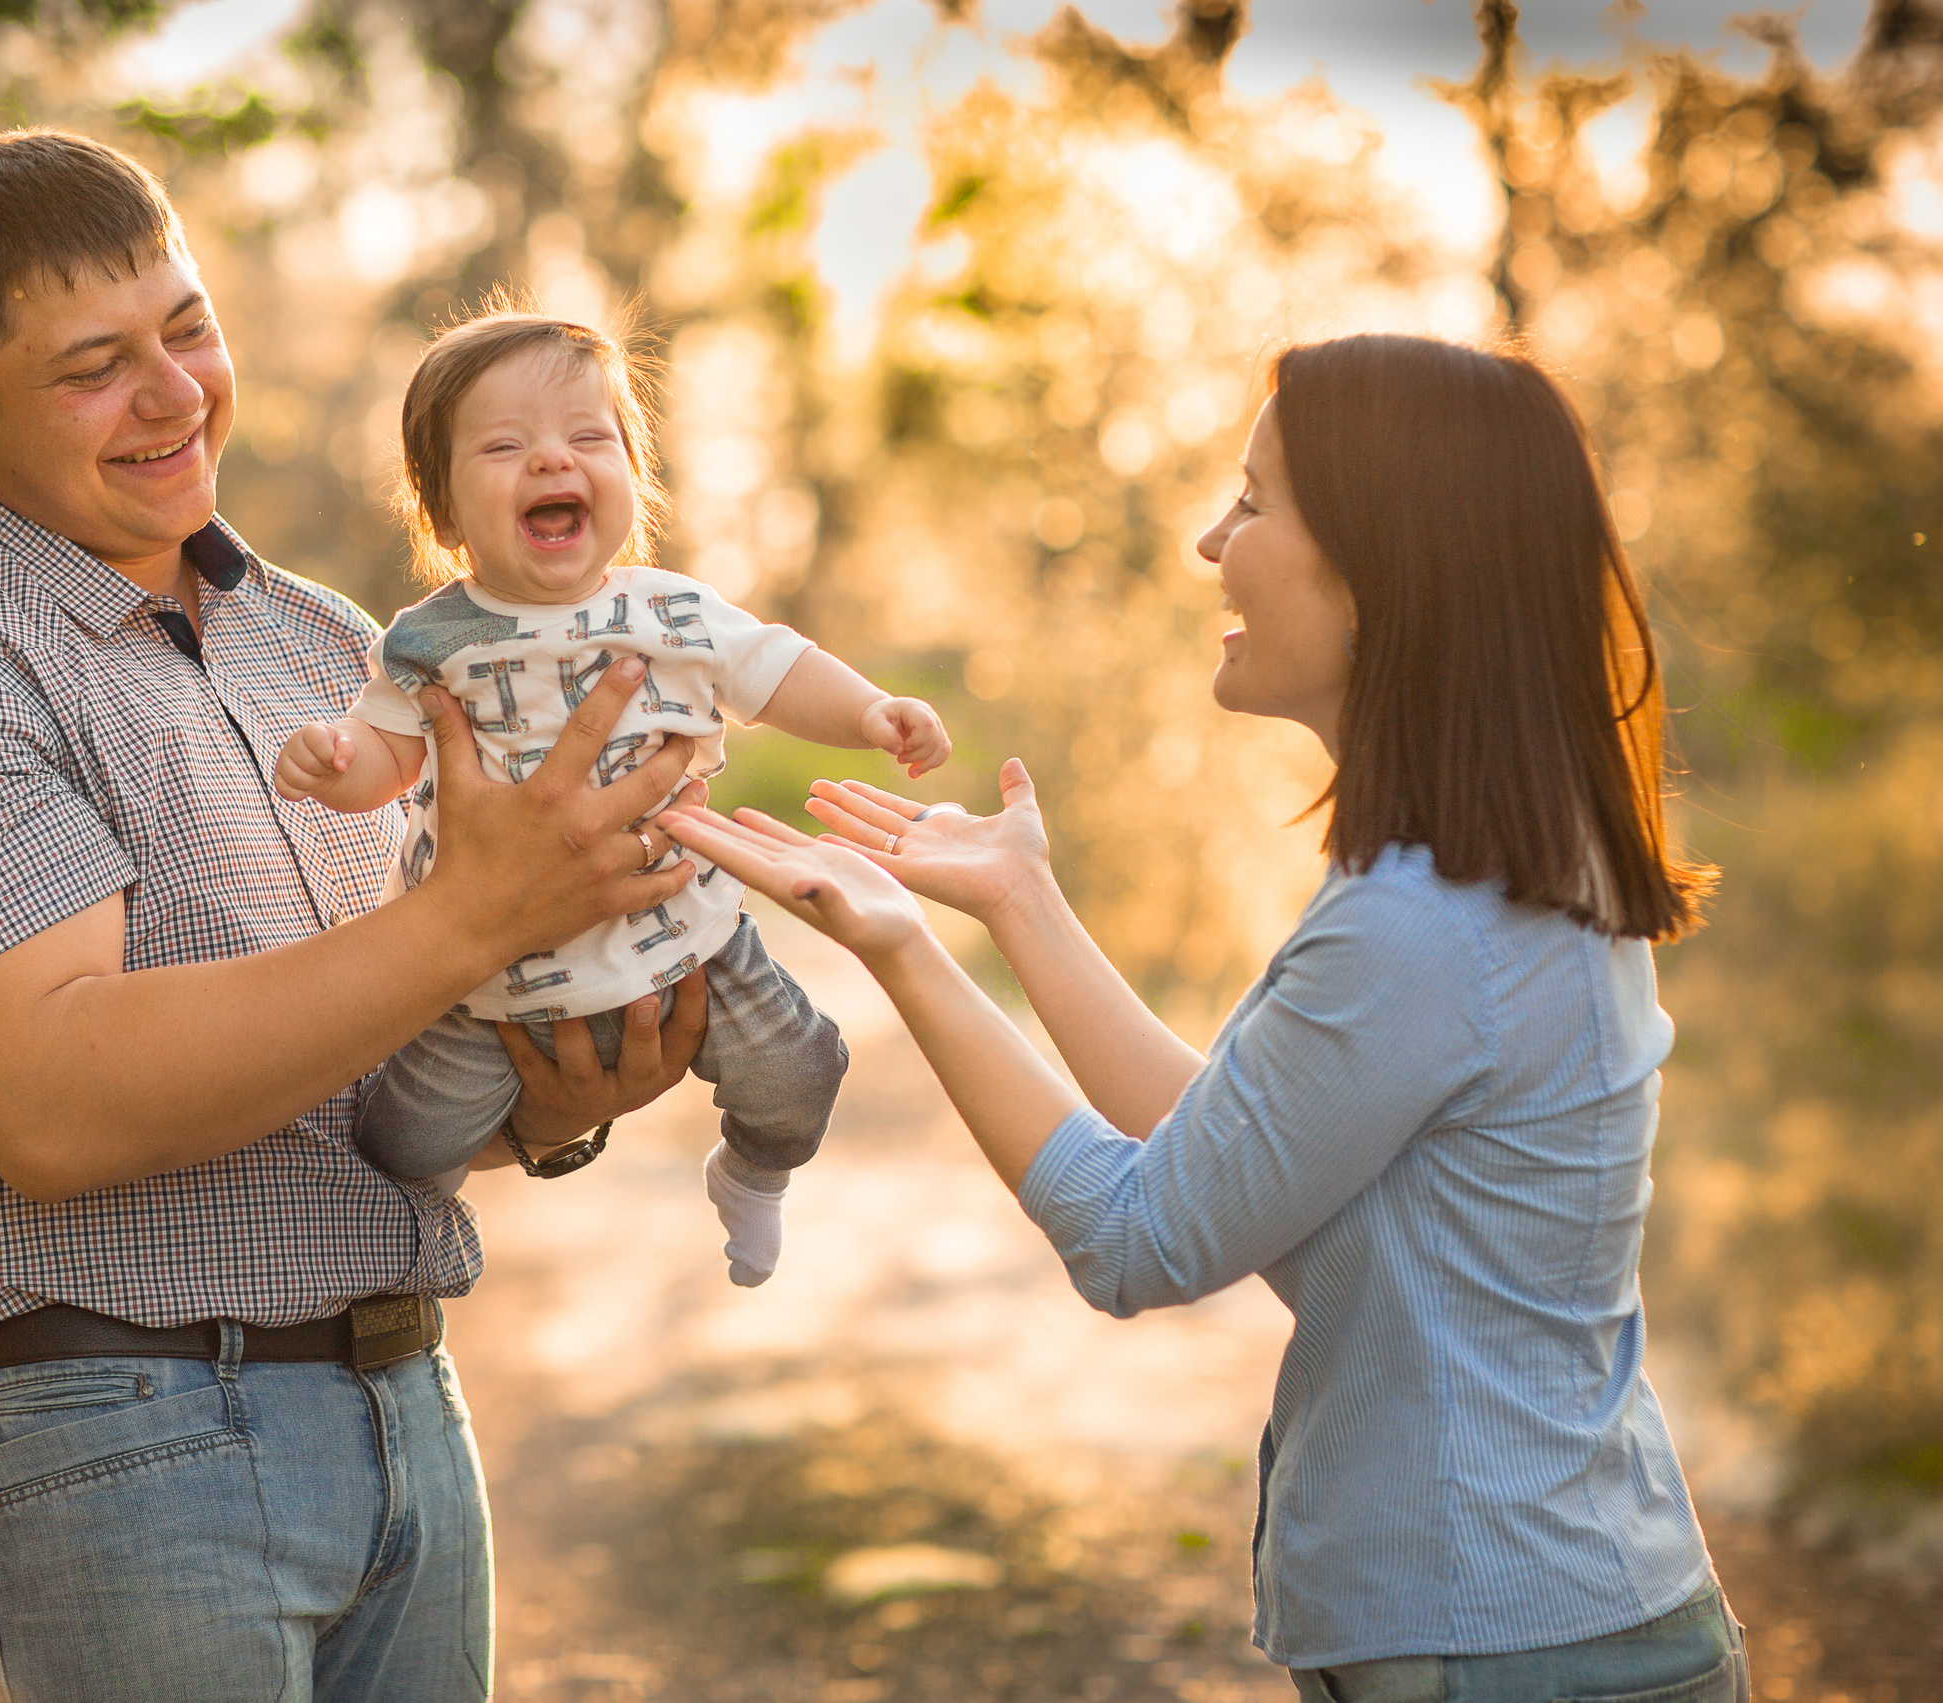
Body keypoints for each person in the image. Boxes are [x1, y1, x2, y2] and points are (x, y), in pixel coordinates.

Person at [0, 128, 708, 1703]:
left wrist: (547, 1102)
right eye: (92, 366)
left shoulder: (330, 645)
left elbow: (357, 1078)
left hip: (404, 1409)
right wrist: (470, 919)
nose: (175, 393)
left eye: (187, 327)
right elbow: (51, 1099)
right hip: (110, 1447)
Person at [663, 335, 1750, 1701]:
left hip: (1505, 1645)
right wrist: (1019, 901)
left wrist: (900, 948)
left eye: (1251, 502)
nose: (1206, 539)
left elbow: (1139, 1233)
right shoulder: (1487, 872)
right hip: (1555, 1618)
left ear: (1377, 567)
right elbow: (1226, 1155)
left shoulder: (1416, 920)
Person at [276, 307, 947, 1286]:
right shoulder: (428, 639)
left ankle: (754, 1175)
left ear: (634, 475)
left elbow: (775, 665)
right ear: (445, 514)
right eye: (504, 445)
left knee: (801, 1071)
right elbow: (387, 750)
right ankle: (373, 1254)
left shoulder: (671, 610)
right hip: (487, 974)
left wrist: (872, 710)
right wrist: (339, 762)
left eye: (589, 437)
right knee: (408, 1140)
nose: (552, 460)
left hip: (683, 933)